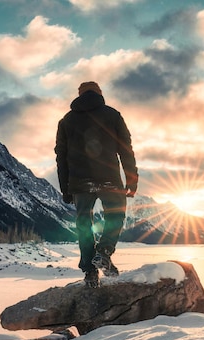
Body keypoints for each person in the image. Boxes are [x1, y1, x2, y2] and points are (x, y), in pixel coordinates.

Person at [55, 81, 138, 288]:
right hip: (109, 178)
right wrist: (132, 178)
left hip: (80, 182)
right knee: (116, 215)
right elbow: (125, 148)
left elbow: (61, 157)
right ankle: (104, 252)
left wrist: (65, 187)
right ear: (99, 94)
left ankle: (90, 271)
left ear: (79, 94)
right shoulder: (113, 115)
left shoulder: (66, 121)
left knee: (84, 224)